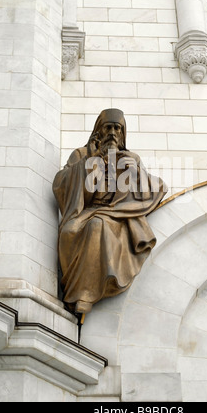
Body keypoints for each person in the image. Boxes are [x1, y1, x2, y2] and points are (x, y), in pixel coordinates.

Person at [53, 109, 167, 316]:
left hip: (116, 212)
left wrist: (136, 172)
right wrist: (91, 160)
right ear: (99, 130)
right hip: (87, 210)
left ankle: (84, 295)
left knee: (97, 226)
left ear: (123, 133)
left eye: (117, 128)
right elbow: (62, 182)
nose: (113, 133)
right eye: (108, 127)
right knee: (69, 232)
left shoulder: (130, 158)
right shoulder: (82, 154)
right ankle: (72, 288)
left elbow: (153, 189)